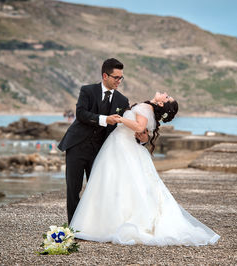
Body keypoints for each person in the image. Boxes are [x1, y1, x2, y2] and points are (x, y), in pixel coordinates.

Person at [70, 92, 221, 246]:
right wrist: (143, 138)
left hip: (122, 146)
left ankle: (106, 225)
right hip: (122, 145)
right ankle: (106, 223)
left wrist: (121, 119)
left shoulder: (145, 107)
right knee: (120, 183)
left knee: (117, 182)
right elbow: (143, 134)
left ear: (161, 104)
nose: (165, 94)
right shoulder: (147, 108)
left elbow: (140, 127)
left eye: (167, 97)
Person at [57, 58, 148, 224]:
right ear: (105, 76)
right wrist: (105, 119)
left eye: (121, 78)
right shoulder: (87, 91)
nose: (119, 81)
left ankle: (92, 226)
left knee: (97, 190)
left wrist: (141, 139)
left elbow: (127, 125)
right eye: (116, 77)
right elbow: (81, 114)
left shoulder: (122, 100)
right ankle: (74, 229)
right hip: (76, 146)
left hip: (100, 151)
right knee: (73, 189)